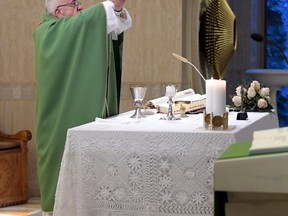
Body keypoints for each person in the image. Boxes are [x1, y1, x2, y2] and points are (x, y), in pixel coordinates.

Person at [34, 0, 132, 215]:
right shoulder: (48, 33)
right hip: (57, 125)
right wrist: (110, 5)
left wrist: (115, 10)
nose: (80, 8)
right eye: (74, 4)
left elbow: (100, 27)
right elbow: (90, 20)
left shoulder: (68, 30)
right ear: (58, 12)